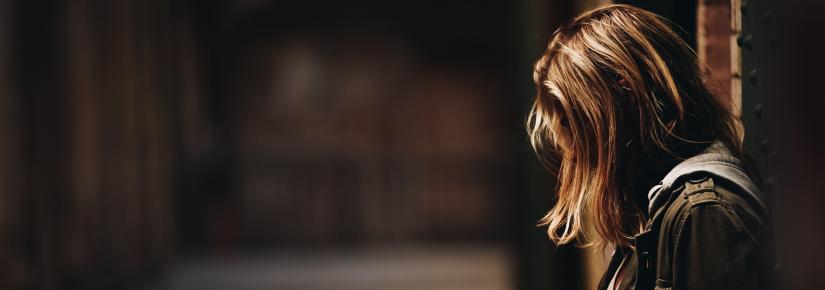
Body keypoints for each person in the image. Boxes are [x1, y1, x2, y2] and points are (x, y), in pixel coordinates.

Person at [526, 4, 776, 290]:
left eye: (571, 119)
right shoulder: (656, 214)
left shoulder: (704, 212)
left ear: (624, 92)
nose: (566, 143)